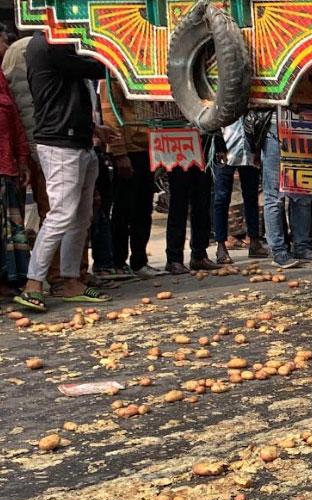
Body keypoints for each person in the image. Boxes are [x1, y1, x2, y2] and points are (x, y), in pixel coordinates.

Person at [15, 31, 116, 311]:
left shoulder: (59, 44)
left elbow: (65, 93)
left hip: (78, 140)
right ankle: (33, 283)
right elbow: (94, 67)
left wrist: (94, 128)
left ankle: (71, 280)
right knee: (60, 215)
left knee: (80, 218)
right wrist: (118, 57)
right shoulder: (50, 44)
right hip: (60, 143)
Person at [101, 79, 162, 276]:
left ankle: (139, 260)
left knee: (144, 209)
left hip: (147, 145)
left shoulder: (143, 73)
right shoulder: (110, 76)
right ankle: (118, 261)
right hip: (128, 150)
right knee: (123, 208)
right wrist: (119, 153)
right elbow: (110, 114)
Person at [261, 109, 312, 268]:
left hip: (303, 128)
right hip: (275, 129)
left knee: (302, 195)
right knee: (275, 197)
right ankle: (279, 251)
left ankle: (302, 247)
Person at [0, 24, 32, 298]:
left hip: (5, 165)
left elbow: (15, 122)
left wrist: (22, 159)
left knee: (9, 228)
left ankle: (8, 280)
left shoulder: (2, 78)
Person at [213, 116, 265, 262]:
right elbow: (215, 120)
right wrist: (218, 146)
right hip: (226, 150)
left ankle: (254, 240)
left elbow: (255, 121)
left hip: (248, 150)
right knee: (222, 199)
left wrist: (257, 148)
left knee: (251, 197)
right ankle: (221, 245)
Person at [163, 138, 217, 275]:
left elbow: (212, 120)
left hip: (202, 146)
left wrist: (219, 146)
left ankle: (199, 255)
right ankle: (174, 259)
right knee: (179, 204)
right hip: (177, 147)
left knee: (202, 203)